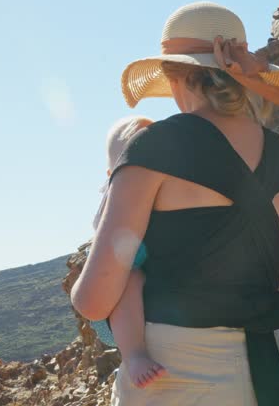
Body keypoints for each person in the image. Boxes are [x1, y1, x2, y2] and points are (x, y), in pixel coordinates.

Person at [71, 2, 279, 405]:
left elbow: (93, 300)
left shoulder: (156, 147)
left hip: (173, 379)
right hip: (268, 370)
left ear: (174, 75)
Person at [90, 115, 168, 388]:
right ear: (113, 173)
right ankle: (134, 355)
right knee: (131, 279)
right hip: (114, 306)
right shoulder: (112, 199)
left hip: (146, 282)